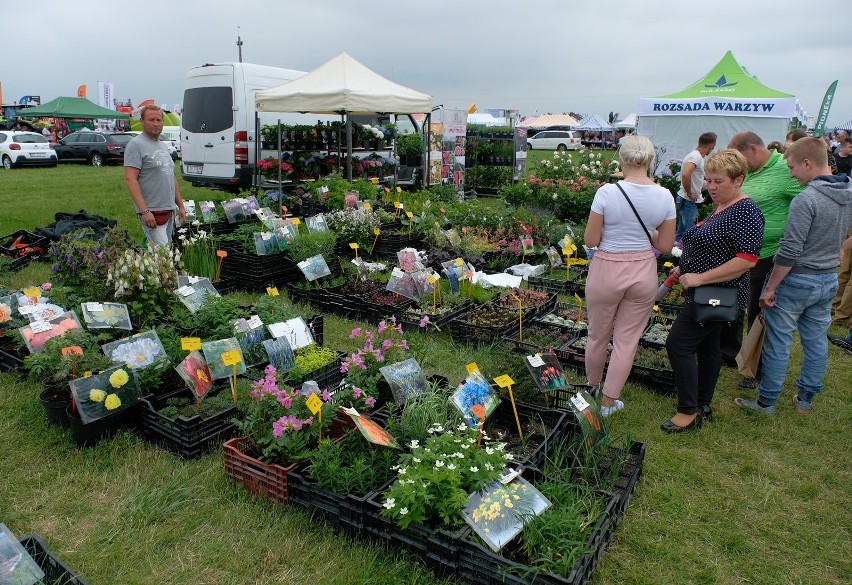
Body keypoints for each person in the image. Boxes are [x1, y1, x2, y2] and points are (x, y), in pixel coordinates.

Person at [735, 138, 852, 415]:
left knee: (778, 341)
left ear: (807, 163)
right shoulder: (848, 190)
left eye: (792, 167)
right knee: (816, 339)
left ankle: (766, 402)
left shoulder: (806, 199)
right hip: (827, 279)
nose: (790, 174)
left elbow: (789, 250)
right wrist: (841, 249)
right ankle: (805, 399)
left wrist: (770, 287)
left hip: (797, 279)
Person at [662, 149, 764, 432]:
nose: (711, 187)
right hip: (709, 291)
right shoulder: (724, 206)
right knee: (709, 348)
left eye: (719, 181)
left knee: (678, 345)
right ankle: (703, 403)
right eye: (708, 180)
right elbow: (715, 247)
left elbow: (747, 259)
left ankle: (688, 409)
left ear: (739, 179)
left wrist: (699, 278)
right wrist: (684, 268)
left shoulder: (746, 210)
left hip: (719, 294)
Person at [583, 135, 676, 417]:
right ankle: (610, 403)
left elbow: (590, 240)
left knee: (597, 335)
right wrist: (649, 231)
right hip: (643, 271)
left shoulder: (607, 193)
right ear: (650, 161)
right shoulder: (665, 196)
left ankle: (592, 387)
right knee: (627, 339)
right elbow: (665, 247)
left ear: (622, 160)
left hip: (607, 268)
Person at [722, 131, 803, 382]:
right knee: (728, 303)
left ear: (754, 149)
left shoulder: (784, 170)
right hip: (734, 252)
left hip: (765, 255)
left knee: (757, 310)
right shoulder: (747, 172)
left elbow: (805, 205)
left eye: (739, 156)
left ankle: (755, 367)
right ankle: (729, 353)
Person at [124, 105, 186, 245]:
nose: (156, 124)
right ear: (142, 121)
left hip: (168, 209)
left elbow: (170, 176)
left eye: (158, 120)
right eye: (151, 120)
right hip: (152, 211)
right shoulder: (135, 145)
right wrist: (145, 211)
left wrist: (180, 206)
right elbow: (130, 179)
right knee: (163, 255)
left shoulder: (162, 146)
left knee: (161, 253)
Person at [675, 132, 716, 243]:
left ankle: (675, 253)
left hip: (685, 198)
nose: (712, 150)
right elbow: (686, 174)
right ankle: (688, 256)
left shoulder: (694, 155)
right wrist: (689, 192)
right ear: (711, 145)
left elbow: (691, 176)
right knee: (690, 232)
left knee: (681, 232)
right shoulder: (696, 157)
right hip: (688, 199)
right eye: (713, 147)